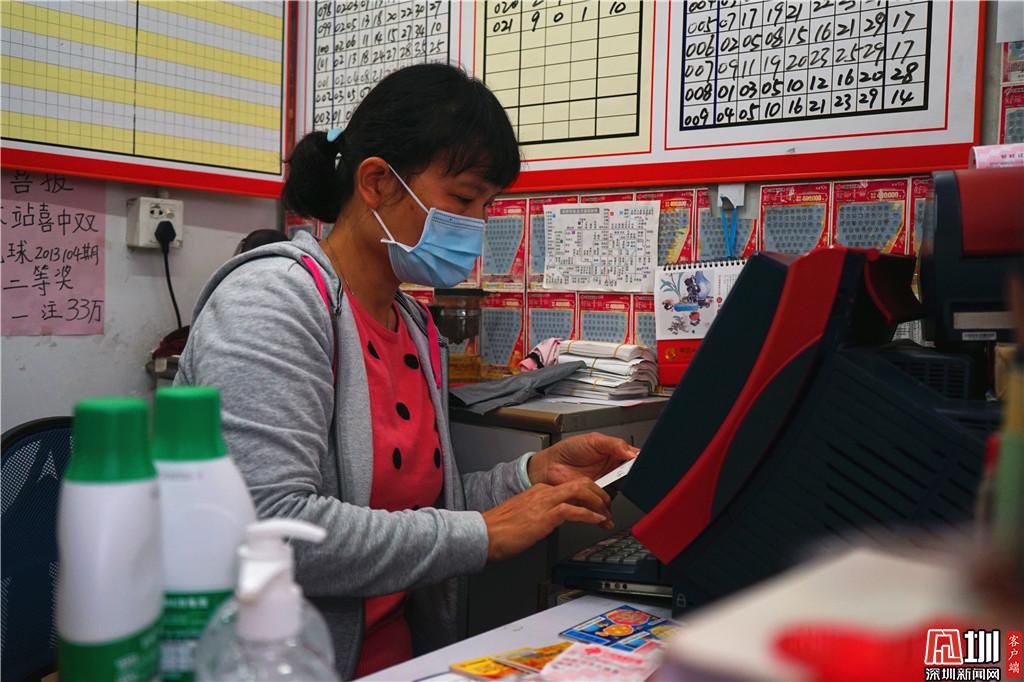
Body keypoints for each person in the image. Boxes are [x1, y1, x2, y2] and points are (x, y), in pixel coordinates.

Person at [175, 64, 637, 680]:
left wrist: (531, 475)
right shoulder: (273, 301)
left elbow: (420, 509)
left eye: (487, 206)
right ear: (377, 183)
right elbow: (270, 529)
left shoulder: (414, 324)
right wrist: (482, 534)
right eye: (464, 200)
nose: (477, 225)